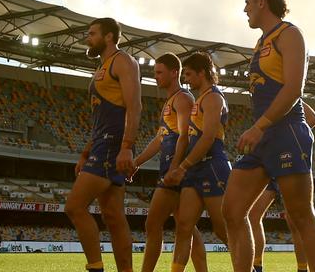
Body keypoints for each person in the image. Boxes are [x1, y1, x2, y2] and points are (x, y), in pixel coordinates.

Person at [223, 0, 315, 272]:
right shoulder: (261, 43)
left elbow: (294, 88)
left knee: (300, 215)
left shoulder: (290, 34)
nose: (244, 8)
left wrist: (260, 126)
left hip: (286, 133)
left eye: (247, 2)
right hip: (263, 138)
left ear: (261, 2)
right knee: (232, 211)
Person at [64, 17, 141, 272]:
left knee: (75, 206)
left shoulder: (122, 61)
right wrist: (86, 152)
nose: (88, 37)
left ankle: (95, 268)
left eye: (93, 33)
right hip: (102, 143)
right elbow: (100, 119)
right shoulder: (103, 66)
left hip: (112, 144)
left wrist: (127, 145)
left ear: (109, 37)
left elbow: (134, 105)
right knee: (113, 216)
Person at [132, 53, 206, 272]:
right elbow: (160, 139)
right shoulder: (171, 101)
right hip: (172, 169)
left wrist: (175, 168)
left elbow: (185, 135)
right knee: (187, 228)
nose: (155, 76)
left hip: (175, 172)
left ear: (175, 73)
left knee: (153, 223)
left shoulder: (183, 98)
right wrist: (137, 162)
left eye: (159, 72)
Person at [162, 52, 232, 272]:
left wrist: (182, 166)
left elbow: (208, 137)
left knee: (223, 229)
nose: (187, 79)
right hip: (196, 168)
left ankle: (246, 266)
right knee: (184, 226)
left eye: (190, 74)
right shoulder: (200, 98)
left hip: (212, 165)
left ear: (203, 73)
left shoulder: (213, 97)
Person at [248, 102, 315, 272]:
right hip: (270, 161)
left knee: (296, 220)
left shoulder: (288, 94)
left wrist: (286, 137)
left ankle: (303, 269)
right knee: (253, 214)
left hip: (290, 157)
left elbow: (313, 119)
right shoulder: (264, 95)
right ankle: (257, 266)